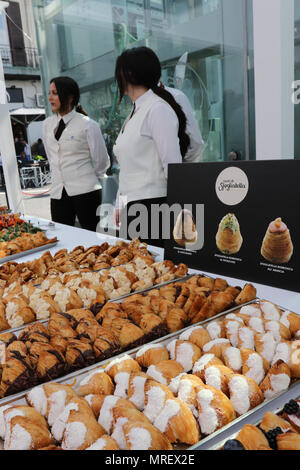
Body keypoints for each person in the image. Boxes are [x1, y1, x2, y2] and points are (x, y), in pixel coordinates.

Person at [113, 46, 190, 247]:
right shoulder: (135, 111)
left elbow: (173, 165)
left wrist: (179, 213)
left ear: (128, 74)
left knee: (153, 272)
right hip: (134, 208)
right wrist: (119, 204)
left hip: (153, 207)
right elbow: (127, 169)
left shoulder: (157, 109)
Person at [43, 76, 110, 231]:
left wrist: (86, 176)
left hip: (86, 191)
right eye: (49, 92)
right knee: (63, 236)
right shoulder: (47, 124)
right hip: (58, 192)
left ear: (70, 97)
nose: (50, 97)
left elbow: (101, 161)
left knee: (93, 236)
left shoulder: (88, 124)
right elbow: (51, 156)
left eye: (55, 93)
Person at [160, 83, 204, 162]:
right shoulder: (137, 101)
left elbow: (195, 144)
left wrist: (178, 166)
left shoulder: (176, 97)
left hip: (170, 170)